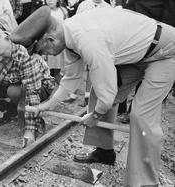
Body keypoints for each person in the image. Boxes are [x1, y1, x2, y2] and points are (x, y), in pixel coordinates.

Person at [10, 6, 175, 186]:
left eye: (42, 51)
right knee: (100, 94)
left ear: (50, 39)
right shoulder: (68, 36)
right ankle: (104, 152)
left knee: (142, 115)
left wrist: (95, 116)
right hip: (137, 54)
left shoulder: (88, 40)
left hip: (164, 51)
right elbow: (71, 79)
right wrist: (47, 106)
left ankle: (146, 182)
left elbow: (108, 90)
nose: (46, 56)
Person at [0, 25, 55, 147]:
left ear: (7, 39)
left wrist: (29, 130)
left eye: (1, 53)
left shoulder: (23, 51)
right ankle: (7, 112)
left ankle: (36, 121)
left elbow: (32, 92)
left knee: (14, 92)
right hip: (12, 81)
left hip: (40, 86)